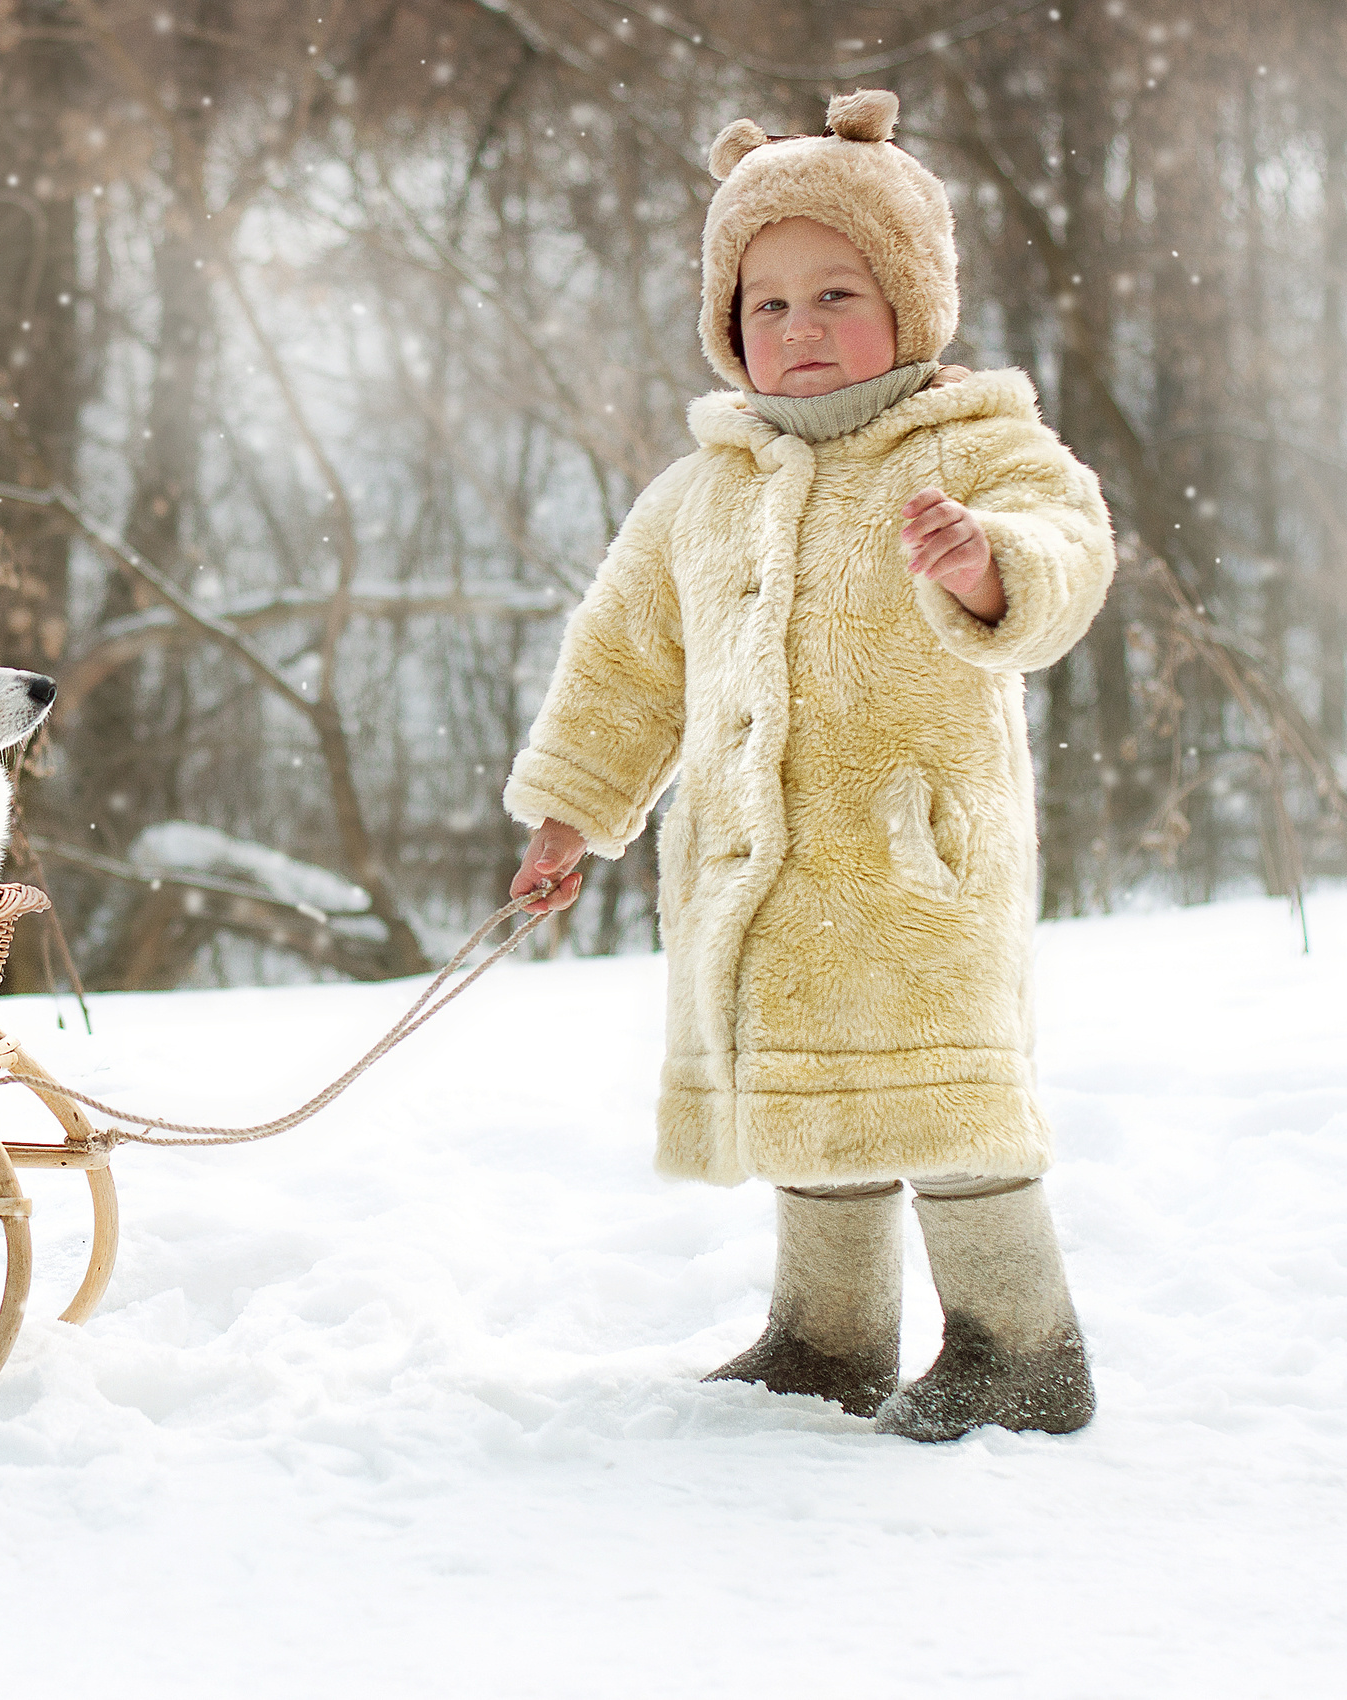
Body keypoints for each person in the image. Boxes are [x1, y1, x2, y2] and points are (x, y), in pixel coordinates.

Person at [502, 90, 1112, 1441]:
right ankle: (827, 1336)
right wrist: (569, 813)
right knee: (809, 1110)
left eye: (838, 291)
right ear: (729, 329)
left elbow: (1070, 549)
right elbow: (626, 663)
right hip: (756, 874)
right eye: (764, 306)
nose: (801, 328)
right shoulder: (702, 489)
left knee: (946, 1100)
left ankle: (1023, 1343)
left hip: (916, 857)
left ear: (911, 297)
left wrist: (990, 564)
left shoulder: (976, 444)